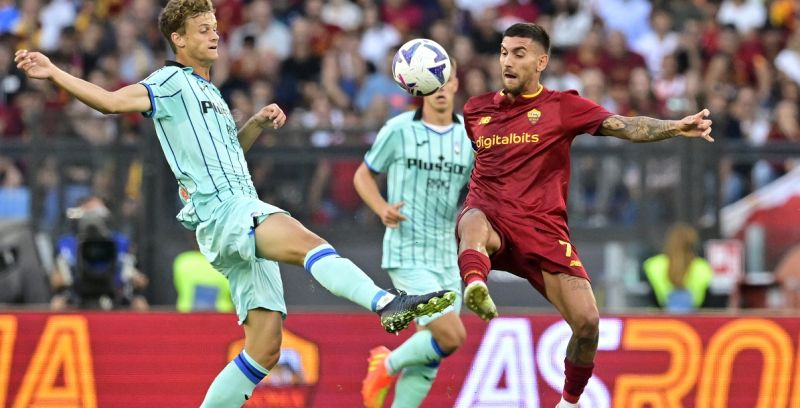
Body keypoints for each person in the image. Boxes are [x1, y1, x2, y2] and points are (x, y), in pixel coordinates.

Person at [15, 1, 455, 406]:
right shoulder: (168, 83)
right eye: (203, 29)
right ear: (178, 39)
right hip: (225, 212)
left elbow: (229, 155)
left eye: (214, 27)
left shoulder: (212, 94)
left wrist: (256, 124)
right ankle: (385, 304)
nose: (214, 35)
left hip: (236, 210)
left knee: (265, 350)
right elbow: (111, 103)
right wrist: (54, 73)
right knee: (307, 242)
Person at [456, 23, 713, 408]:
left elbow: (628, 127)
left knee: (588, 322)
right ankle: (476, 284)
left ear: (541, 62)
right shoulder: (476, 110)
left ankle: (570, 402)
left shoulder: (563, 107)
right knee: (471, 220)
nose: (507, 61)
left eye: (519, 53)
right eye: (504, 52)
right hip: (491, 217)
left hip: (542, 230)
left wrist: (676, 126)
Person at [353, 62, 474, 408]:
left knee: (429, 358)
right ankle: (386, 364)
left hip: (446, 256)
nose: (440, 88)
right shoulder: (399, 129)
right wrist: (381, 208)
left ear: (455, 84)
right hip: (407, 252)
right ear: (419, 86)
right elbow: (363, 175)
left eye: (445, 80)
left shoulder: (469, 137)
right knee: (451, 336)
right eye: (432, 82)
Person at [51, 195, 150, 311]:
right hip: (77, 294)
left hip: (116, 293)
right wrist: (61, 280)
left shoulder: (121, 242)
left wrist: (133, 277)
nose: (93, 217)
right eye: (88, 211)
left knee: (140, 304)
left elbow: (141, 279)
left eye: (97, 212)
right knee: (57, 304)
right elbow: (55, 279)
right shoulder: (65, 244)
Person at [643, 223, 713, 312]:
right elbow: (707, 303)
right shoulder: (703, 267)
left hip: (662, 318)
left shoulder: (653, 265)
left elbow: (651, 300)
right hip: (695, 318)